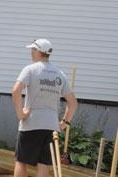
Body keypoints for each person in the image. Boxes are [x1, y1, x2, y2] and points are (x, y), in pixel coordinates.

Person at [11, 39, 78, 177]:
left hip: (31, 123)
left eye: (32, 50)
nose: (31, 53)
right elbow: (73, 103)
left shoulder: (30, 69)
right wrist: (65, 123)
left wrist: (20, 114)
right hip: (51, 126)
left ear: (38, 52)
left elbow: (16, 91)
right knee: (43, 164)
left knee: (21, 161)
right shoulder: (59, 74)